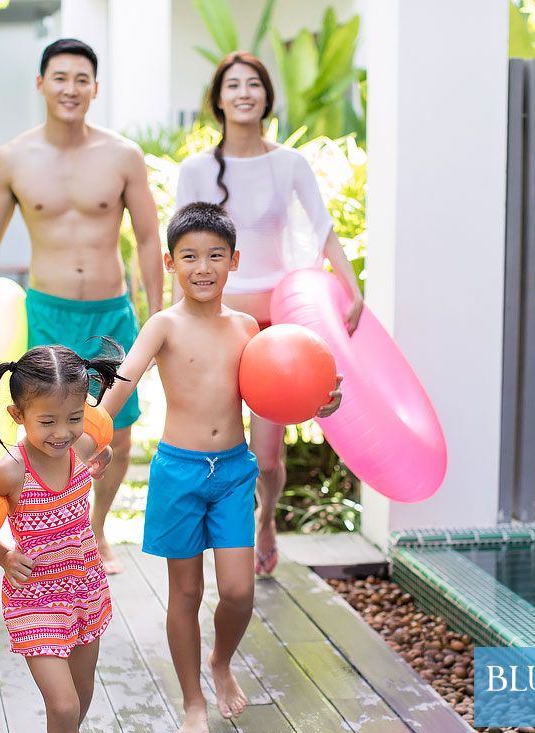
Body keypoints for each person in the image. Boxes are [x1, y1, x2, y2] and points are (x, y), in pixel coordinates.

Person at [93, 202, 342, 733]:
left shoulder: (248, 327)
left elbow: (275, 387)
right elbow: (123, 383)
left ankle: (221, 660)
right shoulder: (163, 325)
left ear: (234, 261)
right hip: (178, 472)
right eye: (189, 257)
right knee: (184, 594)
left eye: (214, 256)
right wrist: (93, 435)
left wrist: (315, 402)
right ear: (169, 262)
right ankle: (192, 702)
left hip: (232, 472)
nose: (202, 267)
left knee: (237, 592)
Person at [0, 37, 163, 575]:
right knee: (50, 427)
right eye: (60, 77)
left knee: (116, 429)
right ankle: (54, 531)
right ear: (41, 84)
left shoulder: (123, 156)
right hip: (46, 312)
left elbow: (146, 239)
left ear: (94, 88)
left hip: (111, 312)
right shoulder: (12, 158)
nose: (70, 88)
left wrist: (161, 317)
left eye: (81, 79)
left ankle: (94, 531)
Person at [175, 51, 364, 576]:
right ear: (218, 99)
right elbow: (182, 250)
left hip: (276, 332)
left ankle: (266, 518)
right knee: (215, 442)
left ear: (266, 96)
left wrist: (351, 287)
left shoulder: (290, 164)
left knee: (269, 457)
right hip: (217, 327)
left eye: (253, 84)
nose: (243, 92)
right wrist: (175, 325)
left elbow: (323, 229)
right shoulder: (196, 170)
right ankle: (218, 537)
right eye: (232, 85)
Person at [0, 341, 124, 733]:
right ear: (18, 414)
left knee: (83, 689)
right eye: (47, 421)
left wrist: (98, 461)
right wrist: (3, 554)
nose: (61, 432)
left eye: (73, 417)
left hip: (85, 585)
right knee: (63, 704)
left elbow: (101, 453)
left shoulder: (80, 446)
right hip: (36, 598)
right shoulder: (10, 471)